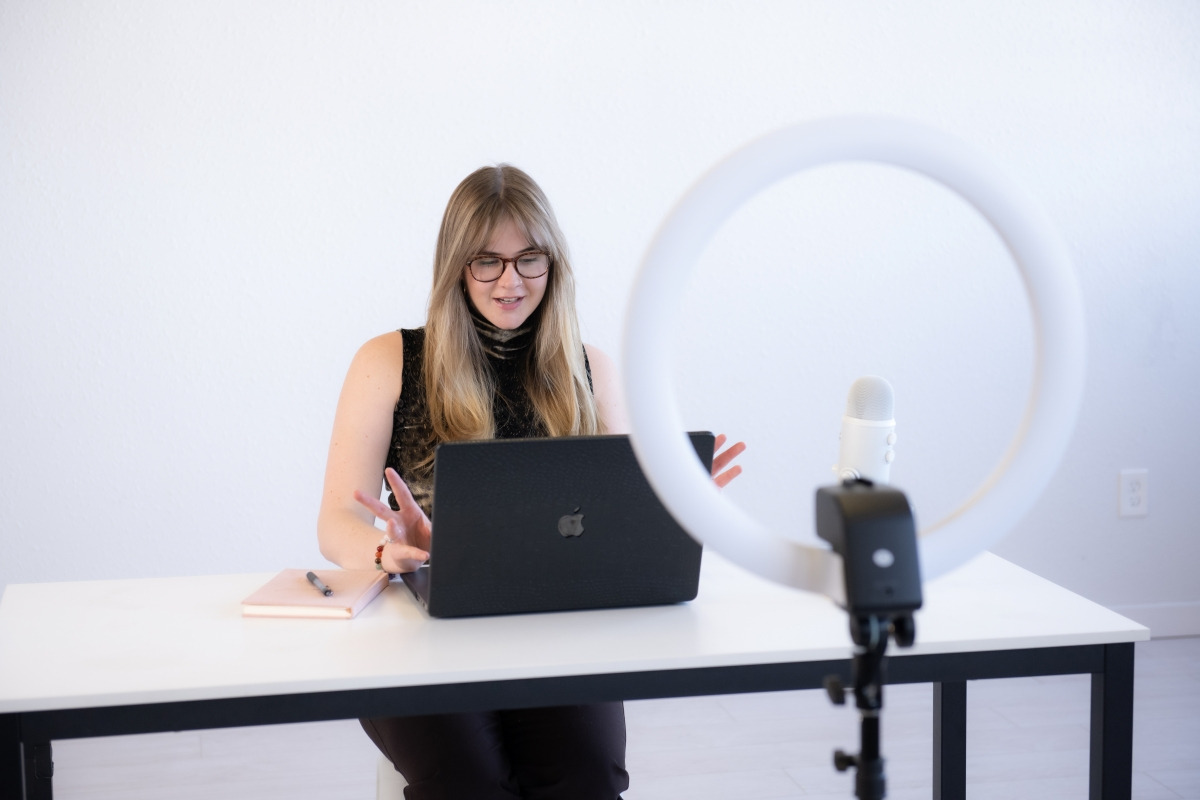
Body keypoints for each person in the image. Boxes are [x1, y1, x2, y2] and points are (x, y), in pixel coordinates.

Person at [316, 164, 745, 800]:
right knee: (472, 782)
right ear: (456, 266)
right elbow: (335, 523)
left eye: (529, 259)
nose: (510, 281)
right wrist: (389, 550)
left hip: (555, 630)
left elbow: (618, 519)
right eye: (487, 261)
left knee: (588, 776)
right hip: (420, 632)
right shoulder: (389, 361)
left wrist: (674, 513)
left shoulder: (589, 369)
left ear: (554, 264)